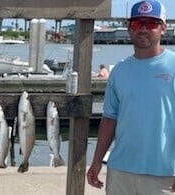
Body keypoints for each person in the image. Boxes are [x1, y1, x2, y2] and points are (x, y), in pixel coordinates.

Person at [87, 0, 175, 194]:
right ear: (129, 28)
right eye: (137, 23)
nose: (143, 29)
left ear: (163, 28)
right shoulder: (119, 70)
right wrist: (95, 162)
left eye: (151, 23)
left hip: (163, 174)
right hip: (120, 170)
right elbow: (110, 119)